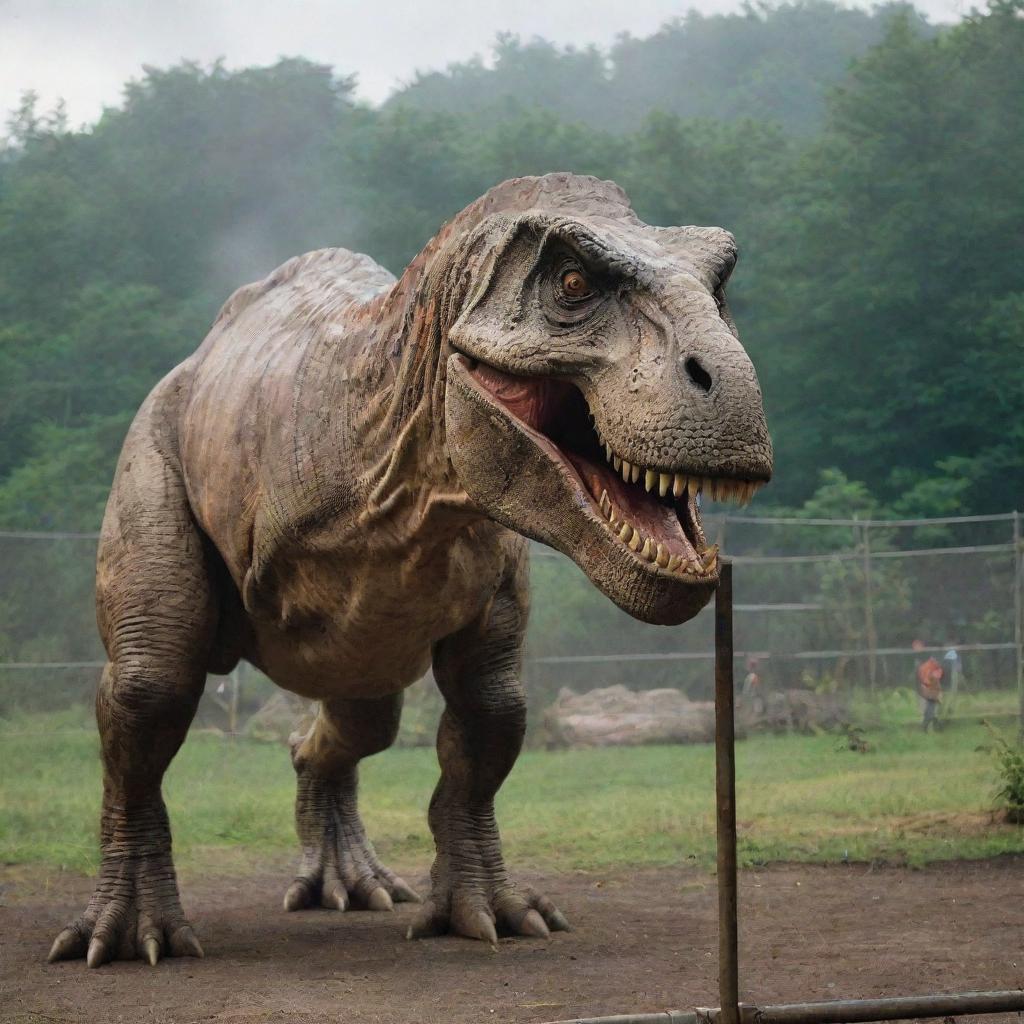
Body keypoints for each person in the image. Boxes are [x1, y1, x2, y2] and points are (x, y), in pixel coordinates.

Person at [912, 639, 943, 732]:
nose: (915, 648)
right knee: (925, 709)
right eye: (914, 646)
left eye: (917, 646)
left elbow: (938, 671)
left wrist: (932, 679)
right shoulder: (916, 658)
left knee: (931, 707)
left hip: (931, 686)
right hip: (920, 686)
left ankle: (930, 727)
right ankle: (928, 726)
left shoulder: (930, 658)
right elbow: (917, 674)